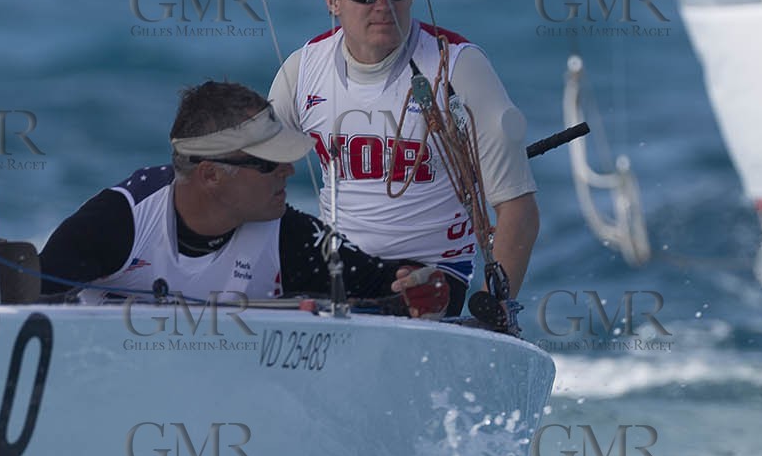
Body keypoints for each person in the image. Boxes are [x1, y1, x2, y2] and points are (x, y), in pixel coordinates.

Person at [267, 0, 539, 313]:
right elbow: (251, 179)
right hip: (341, 265)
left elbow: (519, 208)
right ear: (333, 0)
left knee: (413, 295)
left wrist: (493, 309)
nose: (384, 4)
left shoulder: (459, 68)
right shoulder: (303, 71)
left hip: (433, 274)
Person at [39, 81, 455, 315]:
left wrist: (424, 289)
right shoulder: (119, 221)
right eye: (269, 164)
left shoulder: (291, 237)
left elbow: (389, 283)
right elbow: (27, 304)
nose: (288, 171)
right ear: (211, 175)